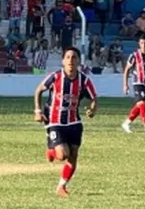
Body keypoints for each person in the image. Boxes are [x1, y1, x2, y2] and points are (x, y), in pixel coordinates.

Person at [34, 47, 98, 196]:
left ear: (78, 61)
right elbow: (38, 90)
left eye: (74, 57)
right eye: (68, 57)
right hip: (55, 121)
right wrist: (37, 111)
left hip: (74, 122)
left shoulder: (84, 80)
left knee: (73, 155)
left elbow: (94, 98)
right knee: (62, 155)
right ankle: (51, 147)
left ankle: (61, 186)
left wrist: (92, 109)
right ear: (63, 61)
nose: (71, 60)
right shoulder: (55, 77)